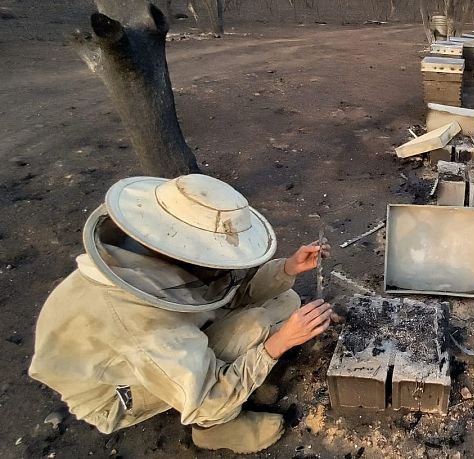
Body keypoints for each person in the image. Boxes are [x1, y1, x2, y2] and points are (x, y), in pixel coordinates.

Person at [29, 174, 333, 453]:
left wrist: (288, 267)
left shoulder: (154, 253)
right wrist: (277, 344)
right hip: (116, 394)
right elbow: (205, 399)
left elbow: (222, 296)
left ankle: (238, 376)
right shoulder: (142, 322)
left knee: (285, 299)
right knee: (253, 326)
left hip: (159, 346)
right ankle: (213, 429)